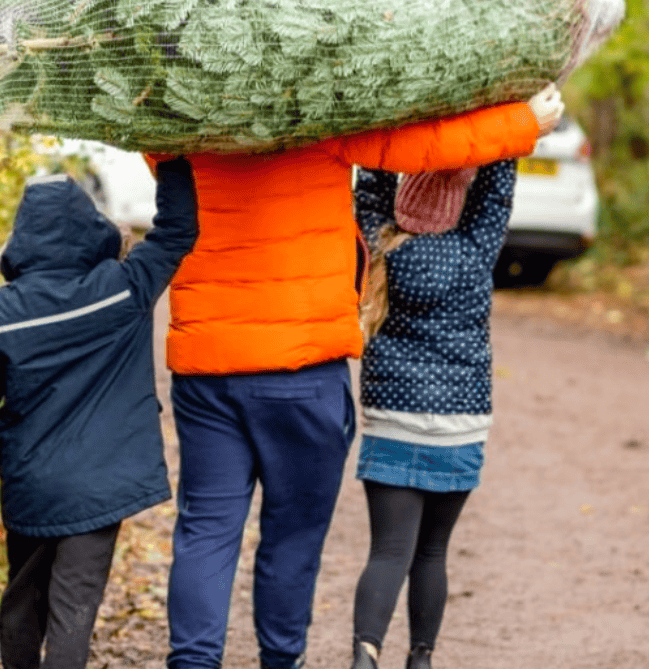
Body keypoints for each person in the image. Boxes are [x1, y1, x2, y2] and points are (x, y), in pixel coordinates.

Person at [148, 86, 564, 669]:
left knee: (207, 532)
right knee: (292, 537)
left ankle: (192, 663)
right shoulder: (322, 121)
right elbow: (417, 147)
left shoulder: (183, 133)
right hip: (304, 370)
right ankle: (281, 660)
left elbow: (151, 146)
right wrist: (523, 121)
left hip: (209, 362)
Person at [0, 157, 198, 669]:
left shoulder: (3, 310)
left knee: (23, 600)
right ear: (89, 229)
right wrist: (173, 158)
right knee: (73, 609)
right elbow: (178, 230)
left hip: (33, 482)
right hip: (101, 484)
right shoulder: (124, 287)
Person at [349, 87, 563, 669]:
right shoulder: (477, 248)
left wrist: (393, 125)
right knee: (433, 553)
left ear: (403, 202)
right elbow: (498, 186)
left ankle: (365, 657)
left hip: (390, 423)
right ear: (460, 205)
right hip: (460, 425)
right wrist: (514, 121)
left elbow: (369, 182)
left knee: (386, 552)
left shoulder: (379, 249)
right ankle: (421, 659)